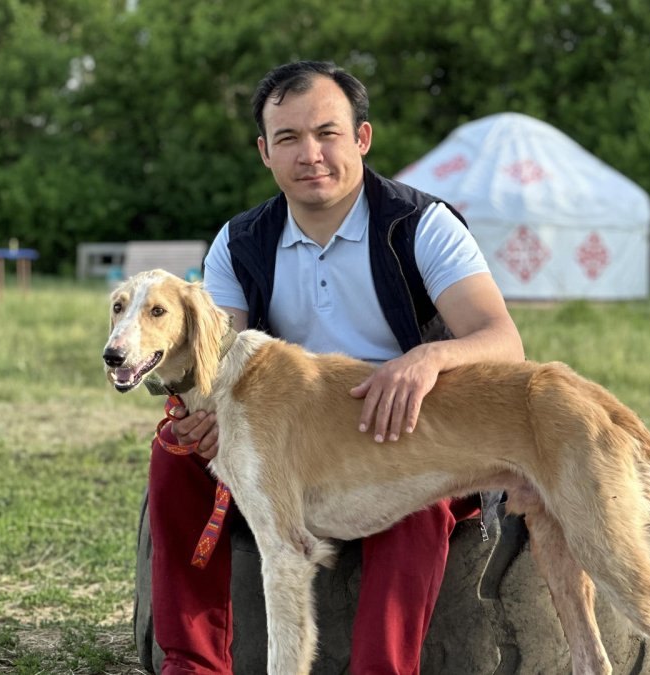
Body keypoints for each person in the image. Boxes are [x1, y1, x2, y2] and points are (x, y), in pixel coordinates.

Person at [148, 60, 524, 675]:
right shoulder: (239, 243)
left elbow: (503, 341)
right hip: (287, 441)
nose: (311, 155)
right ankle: (193, 665)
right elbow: (215, 363)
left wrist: (428, 358)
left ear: (362, 138)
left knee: (415, 495)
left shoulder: (421, 225)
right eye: (289, 138)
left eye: (327, 133)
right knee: (175, 456)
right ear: (265, 152)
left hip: (406, 428)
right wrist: (207, 415)